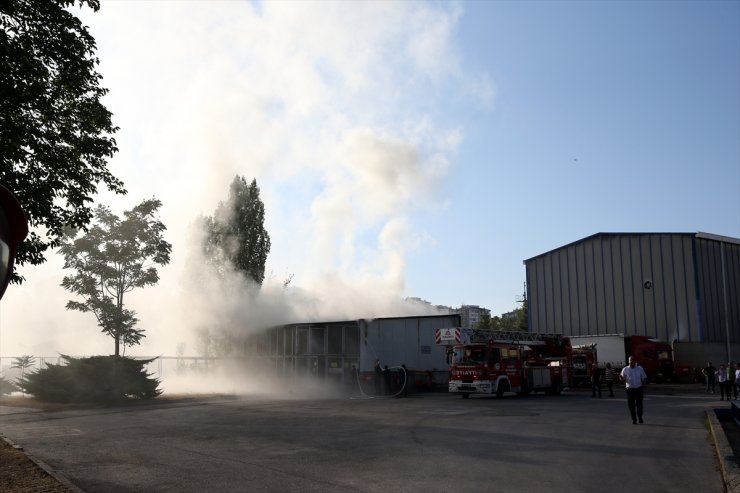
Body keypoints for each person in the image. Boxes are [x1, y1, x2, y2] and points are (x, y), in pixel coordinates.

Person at [620, 356, 647, 424]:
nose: (631, 362)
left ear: (635, 361)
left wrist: (643, 384)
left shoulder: (639, 368)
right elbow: (622, 379)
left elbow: (644, 377)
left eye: (633, 360)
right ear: (628, 361)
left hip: (638, 389)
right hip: (630, 390)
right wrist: (621, 379)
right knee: (631, 406)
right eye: (630, 360)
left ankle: (640, 417)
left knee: (639, 405)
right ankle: (634, 419)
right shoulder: (625, 369)